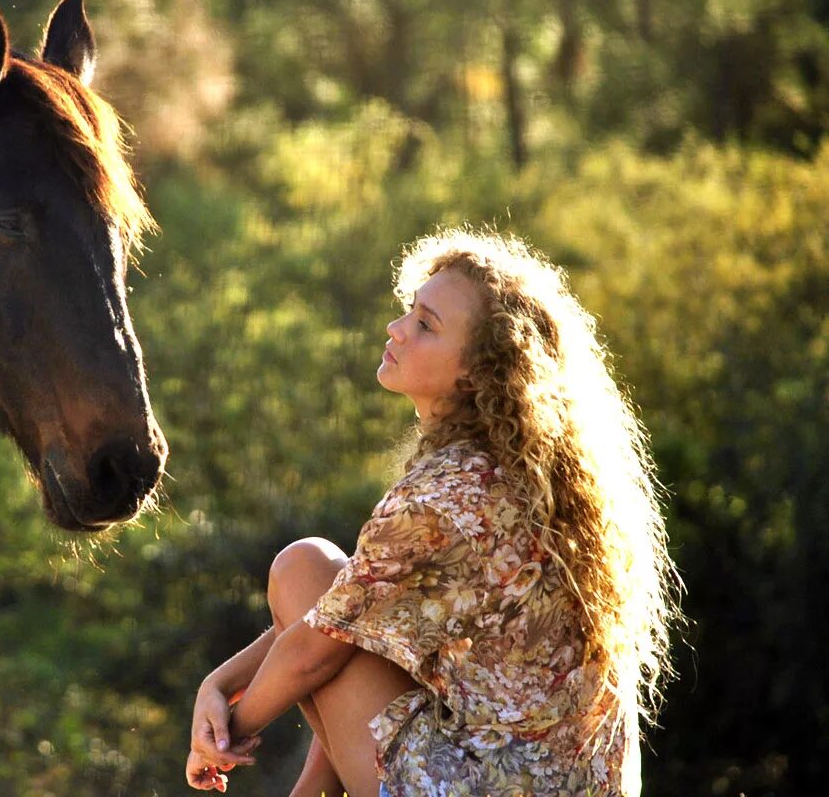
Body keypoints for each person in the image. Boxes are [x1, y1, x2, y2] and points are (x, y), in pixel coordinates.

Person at [185, 229, 683, 797]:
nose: (397, 330)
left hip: (496, 785)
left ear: (477, 372)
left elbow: (312, 656)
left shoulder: (447, 496)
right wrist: (218, 685)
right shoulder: (510, 472)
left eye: (426, 325)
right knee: (332, 601)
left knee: (304, 568)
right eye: (408, 312)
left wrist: (218, 737)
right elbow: (350, 628)